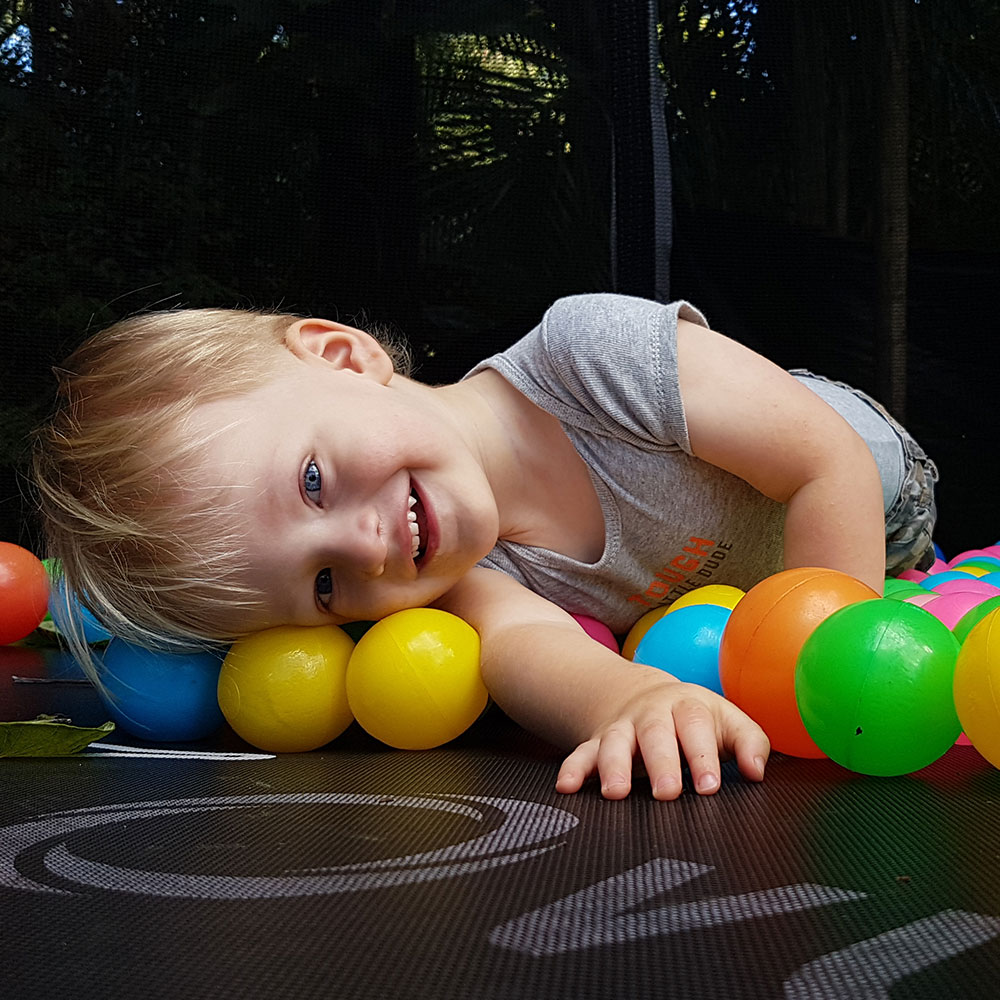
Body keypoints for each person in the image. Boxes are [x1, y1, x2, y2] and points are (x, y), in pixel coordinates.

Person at [32, 293, 937, 800]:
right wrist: (638, 699)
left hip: (866, 476)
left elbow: (823, 465)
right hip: (753, 565)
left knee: (845, 455)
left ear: (344, 354)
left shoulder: (592, 356)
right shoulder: (466, 578)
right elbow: (525, 650)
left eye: (312, 482)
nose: (366, 546)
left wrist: (832, 658)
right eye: (322, 586)